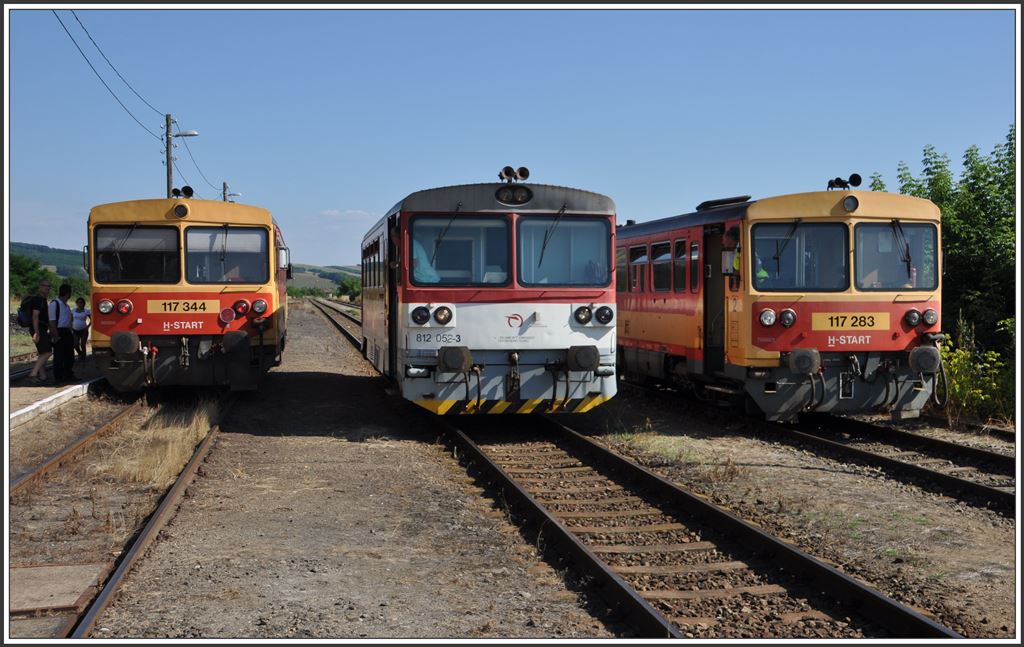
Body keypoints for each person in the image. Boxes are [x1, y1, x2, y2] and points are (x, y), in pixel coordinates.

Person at [26, 279, 53, 385]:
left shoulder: (43, 299)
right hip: (38, 328)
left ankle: (43, 377)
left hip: (39, 328)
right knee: (48, 352)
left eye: (49, 286)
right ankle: (33, 374)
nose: (47, 288)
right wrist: (36, 332)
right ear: (39, 287)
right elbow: (35, 316)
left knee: (42, 352)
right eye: (45, 286)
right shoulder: (38, 300)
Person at [48, 283, 75, 384]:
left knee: (69, 355)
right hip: (59, 331)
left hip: (67, 332)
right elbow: (52, 321)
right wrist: (56, 335)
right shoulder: (54, 304)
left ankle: (68, 374)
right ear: (68, 294)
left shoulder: (67, 306)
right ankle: (58, 376)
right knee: (59, 356)